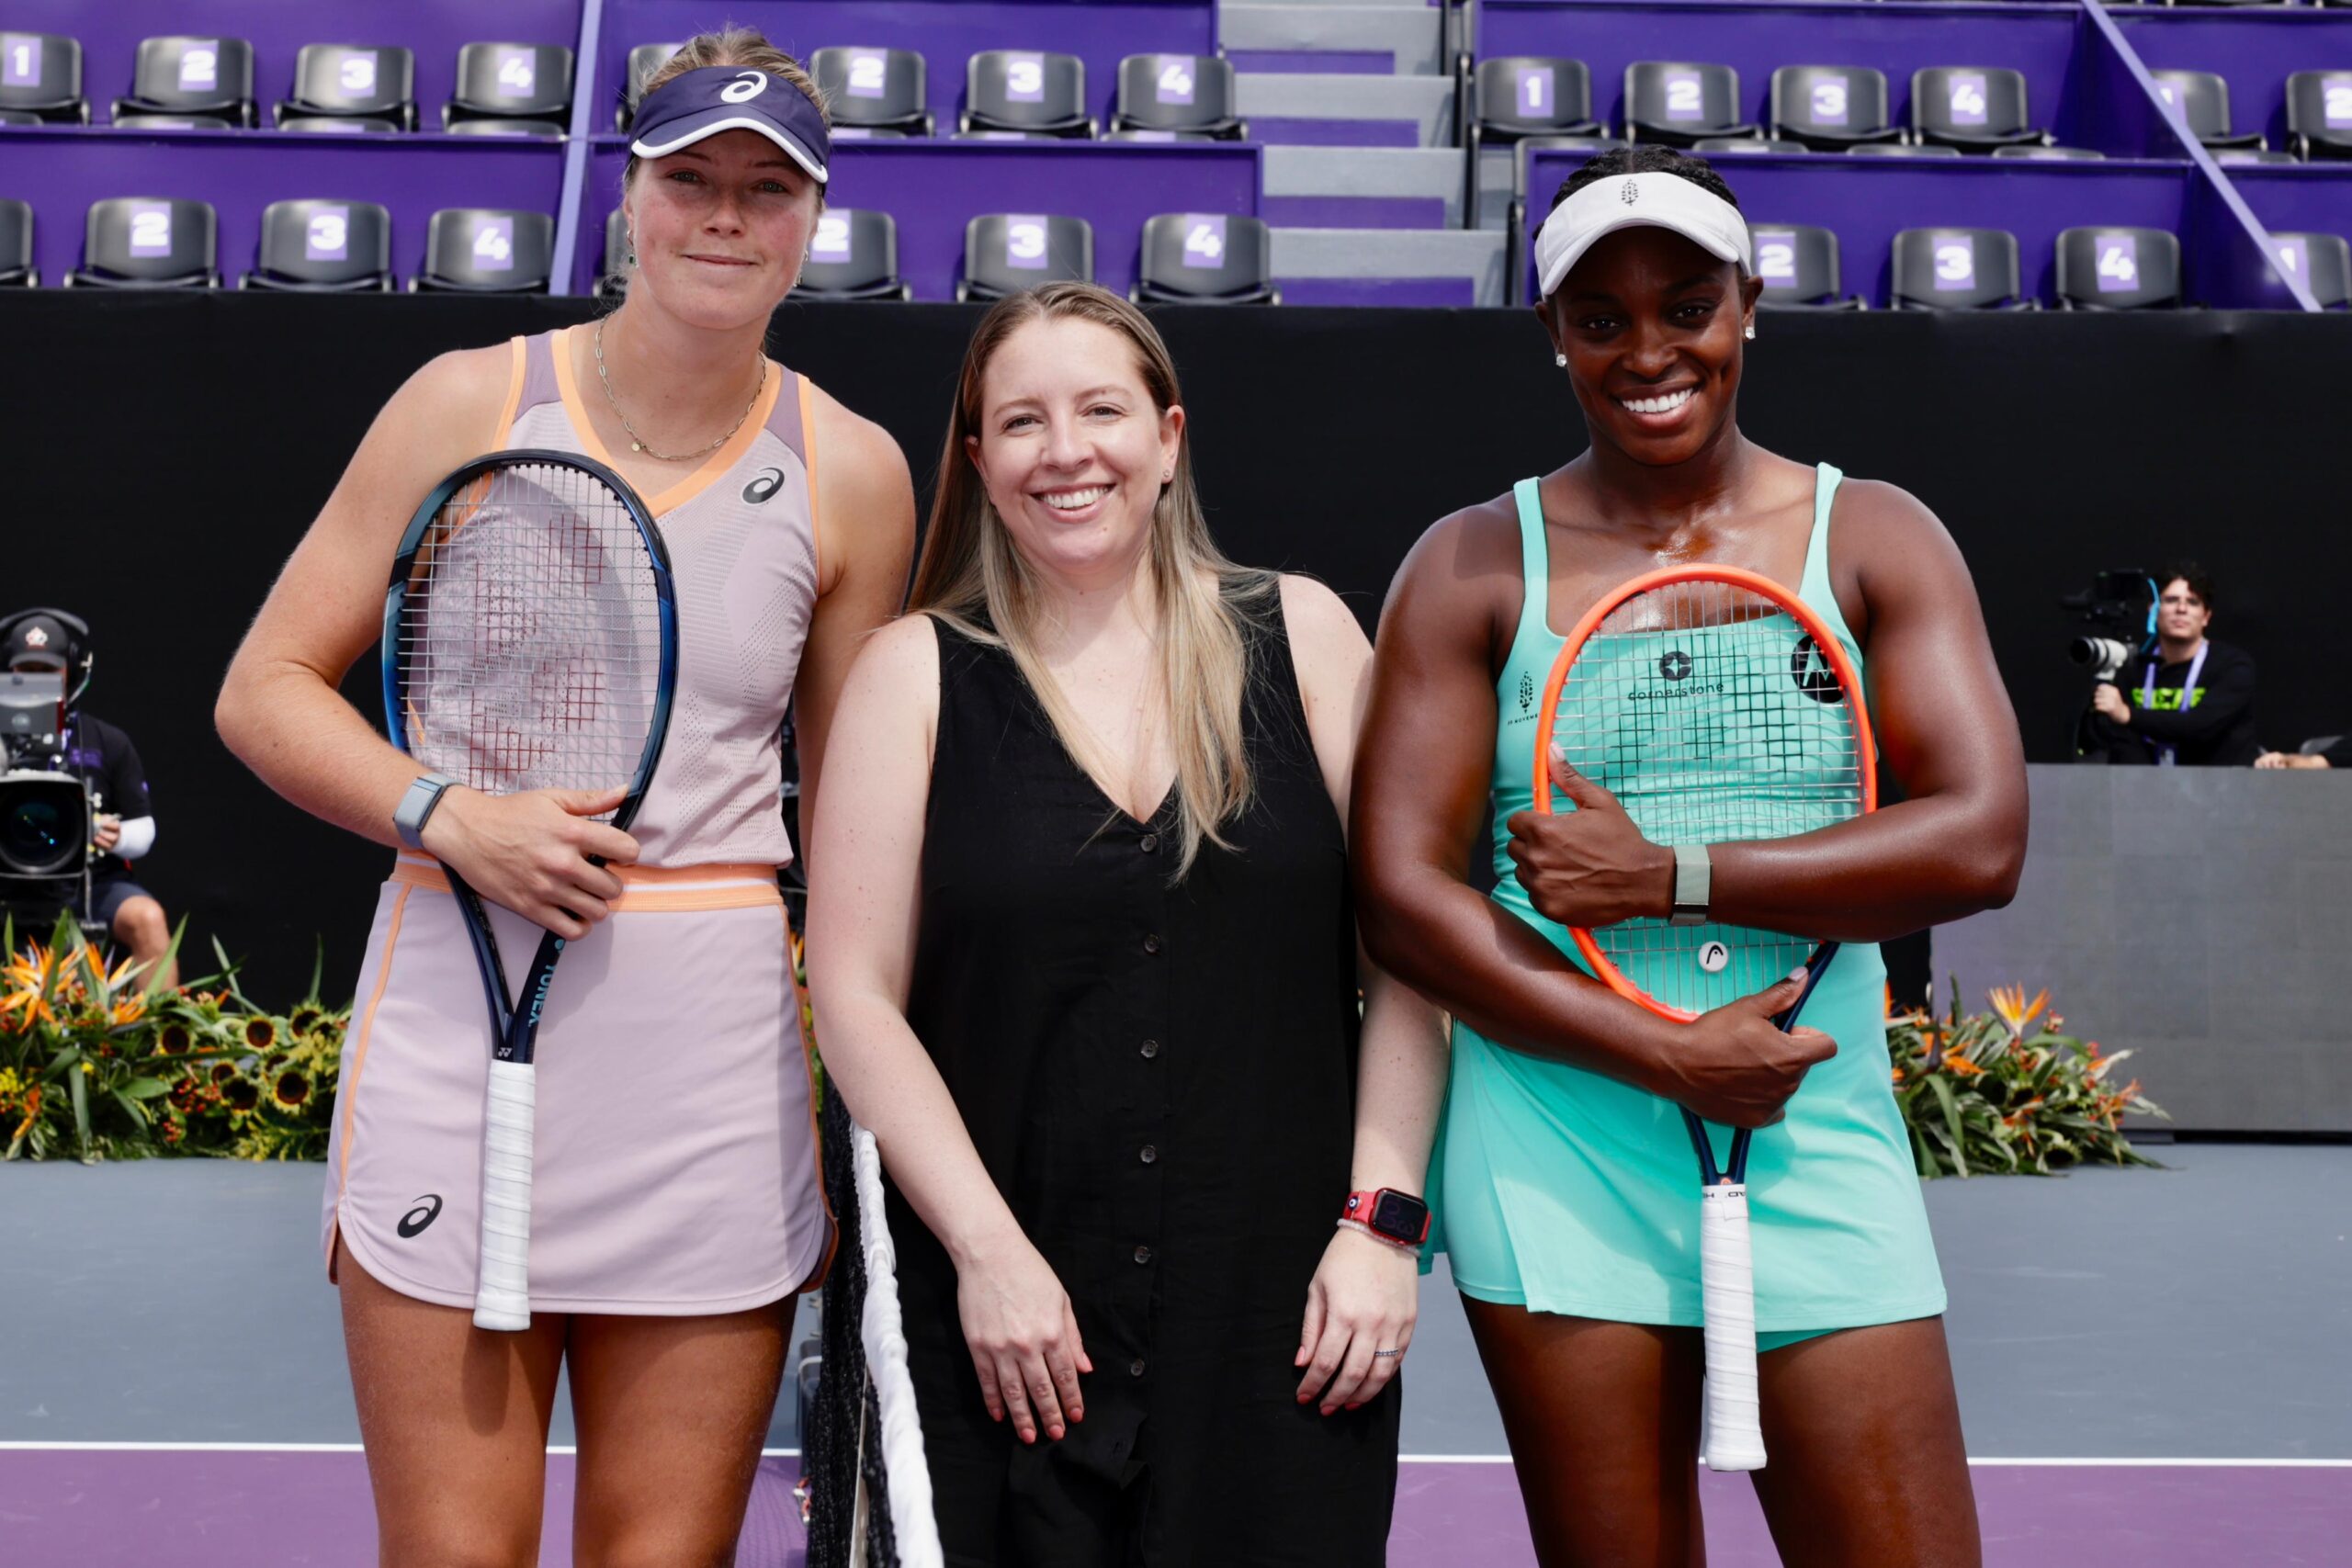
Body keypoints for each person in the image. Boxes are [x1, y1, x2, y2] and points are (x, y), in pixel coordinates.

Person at [214, 28, 914, 1566]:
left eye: (767, 188)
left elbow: (864, 819)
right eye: (690, 177)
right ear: (628, 195)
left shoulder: (853, 470)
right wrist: (448, 813)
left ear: (813, 219)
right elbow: (263, 689)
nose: (725, 214)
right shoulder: (466, 403)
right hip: (454, 1025)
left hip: (708, 1066)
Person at [1350, 146, 2027, 1566]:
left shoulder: (1875, 534)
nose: (1649, 350)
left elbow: (1982, 839)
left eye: (1688, 306)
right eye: (1602, 318)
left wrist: (1673, 872)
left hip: (1813, 1124)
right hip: (1561, 1136)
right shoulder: (1470, 563)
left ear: (1750, 305)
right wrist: (1663, 1051)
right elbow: (1404, 896)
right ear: (1553, 332)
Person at [806, 282, 1447, 1566]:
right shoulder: (910, 673)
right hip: (999, 1327)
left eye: (1101, 410)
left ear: (1168, 435)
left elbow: (1410, 969)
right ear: (978, 459)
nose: (1066, 451)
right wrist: (988, 1253)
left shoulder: (1309, 636)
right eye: (1022, 421)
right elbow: (855, 997)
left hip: (1281, 1323)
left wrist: (1380, 1225)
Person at [4, 611, 175, 987]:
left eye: (48, 671)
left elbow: (143, 828)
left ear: (72, 671)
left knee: (147, 919)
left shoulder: (106, 741)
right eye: (26, 671)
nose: (36, 682)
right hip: (7, 880)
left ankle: (159, 1023)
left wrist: (113, 835)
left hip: (90, 882)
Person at [2086, 565, 2258, 766]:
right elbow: (2122, 741)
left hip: (2219, 783)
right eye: (2171, 600)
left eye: (2192, 602)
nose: (2181, 609)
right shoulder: (2132, 667)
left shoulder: (2232, 666)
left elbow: (2201, 725)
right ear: (2153, 610)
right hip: (2146, 782)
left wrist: (2128, 714)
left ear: (2206, 616)